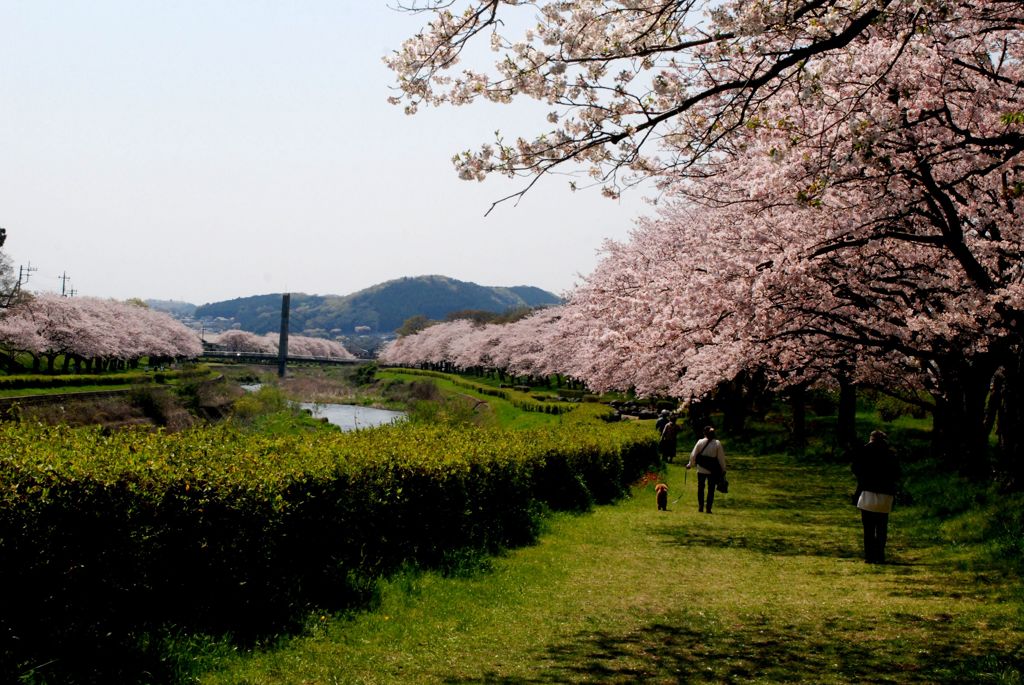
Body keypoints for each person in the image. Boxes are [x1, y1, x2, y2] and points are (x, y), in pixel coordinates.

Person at [852, 430, 901, 564]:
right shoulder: (890, 454)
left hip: (867, 492)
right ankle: (880, 555)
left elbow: (855, 469)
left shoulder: (864, 451)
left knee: (868, 529)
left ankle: (869, 556)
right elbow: (897, 474)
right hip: (885, 495)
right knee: (881, 528)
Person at [687, 426, 727, 513]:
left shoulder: (700, 442)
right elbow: (721, 458)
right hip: (712, 470)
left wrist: (690, 464)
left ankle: (700, 506)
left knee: (700, 488)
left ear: (704, 433)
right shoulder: (717, 443)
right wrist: (723, 468)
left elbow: (693, 454)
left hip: (701, 469)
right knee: (711, 489)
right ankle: (708, 508)